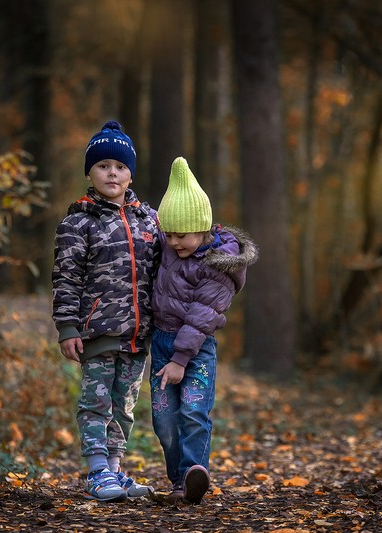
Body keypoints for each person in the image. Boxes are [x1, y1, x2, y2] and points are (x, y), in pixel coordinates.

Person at [52, 120, 159, 502]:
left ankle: (114, 470)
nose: (111, 172)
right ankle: (97, 470)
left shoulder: (149, 220)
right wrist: (67, 326)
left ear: (130, 174)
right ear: (90, 172)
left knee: (125, 406)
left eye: (120, 166)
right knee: (96, 402)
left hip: (138, 333)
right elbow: (66, 277)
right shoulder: (78, 222)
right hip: (96, 330)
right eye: (102, 166)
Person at [150, 156, 259, 504]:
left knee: (193, 412)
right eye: (168, 234)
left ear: (203, 228)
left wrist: (181, 358)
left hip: (194, 350)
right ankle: (177, 480)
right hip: (162, 343)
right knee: (164, 420)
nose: (174, 242)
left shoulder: (217, 265)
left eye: (181, 235)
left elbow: (202, 314)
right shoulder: (172, 249)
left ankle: (192, 475)